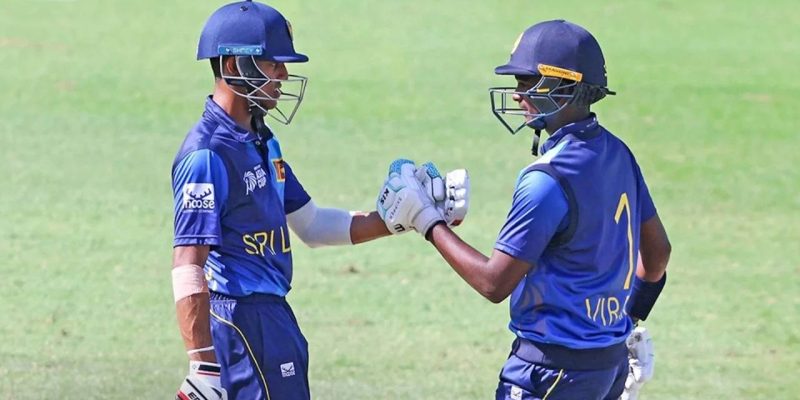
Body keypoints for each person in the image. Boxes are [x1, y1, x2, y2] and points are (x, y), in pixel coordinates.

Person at [170, 2, 468, 399]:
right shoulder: (207, 155)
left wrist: (406, 217)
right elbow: (188, 264)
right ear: (233, 66)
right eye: (273, 64)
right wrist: (203, 364)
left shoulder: (261, 141)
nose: (283, 75)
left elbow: (312, 225)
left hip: (273, 317)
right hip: (239, 322)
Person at [376, 20, 671, 400]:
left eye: (527, 82)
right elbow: (658, 255)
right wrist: (625, 322)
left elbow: (494, 283)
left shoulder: (546, 179)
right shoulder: (619, 153)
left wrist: (426, 221)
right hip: (608, 364)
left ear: (565, 86)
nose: (517, 95)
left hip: (550, 372)